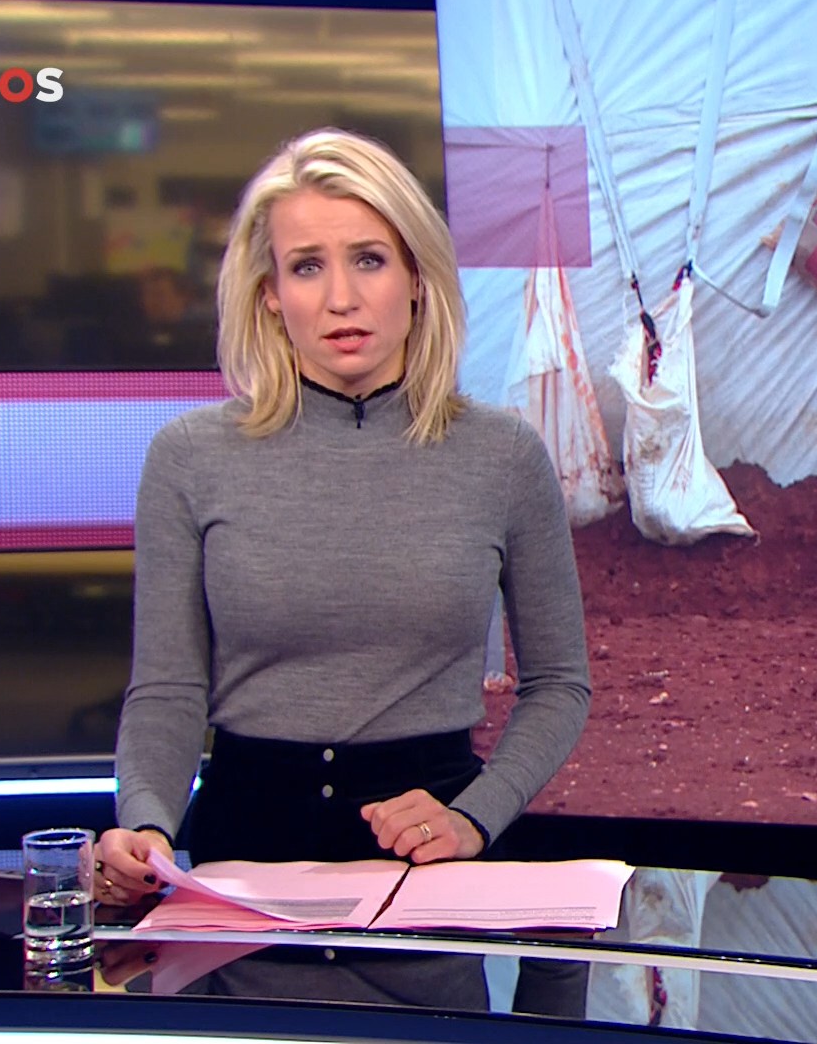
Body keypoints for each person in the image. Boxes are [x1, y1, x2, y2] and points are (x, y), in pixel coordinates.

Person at [94, 128, 591, 984]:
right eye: (306, 267)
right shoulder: (189, 458)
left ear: (418, 278)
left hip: (430, 872)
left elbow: (559, 684)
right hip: (239, 881)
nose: (340, 299)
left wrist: (474, 817)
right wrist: (145, 823)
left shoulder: (503, 456)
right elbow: (169, 688)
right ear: (268, 295)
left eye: (368, 259)